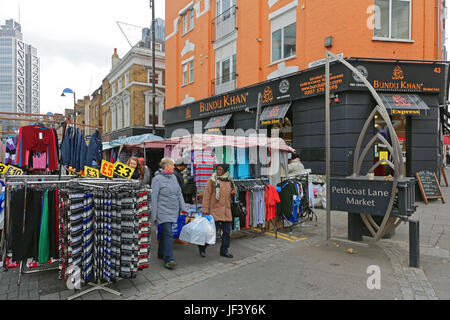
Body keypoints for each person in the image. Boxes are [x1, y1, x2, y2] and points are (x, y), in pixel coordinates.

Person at [151, 158, 187, 270]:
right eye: (172, 165)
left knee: (165, 233)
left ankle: (161, 253)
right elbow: (154, 198)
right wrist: (153, 215)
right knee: (168, 233)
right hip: (163, 211)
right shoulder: (157, 179)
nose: (173, 167)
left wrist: (183, 207)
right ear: (166, 166)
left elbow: (179, 193)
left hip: (173, 210)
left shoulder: (174, 177)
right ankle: (169, 259)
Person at [198, 163, 236, 258]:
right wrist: (205, 209)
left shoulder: (230, 181)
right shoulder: (212, 180)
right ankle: (202, 246)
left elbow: (232, 194)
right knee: (211, 232)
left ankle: (224, 250)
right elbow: (206, 196)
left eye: (220, 170)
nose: (218, 171)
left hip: (226, 211)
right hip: (214, 211)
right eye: (217, 169)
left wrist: (233, 193)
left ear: (225, 171)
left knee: (226, 232)